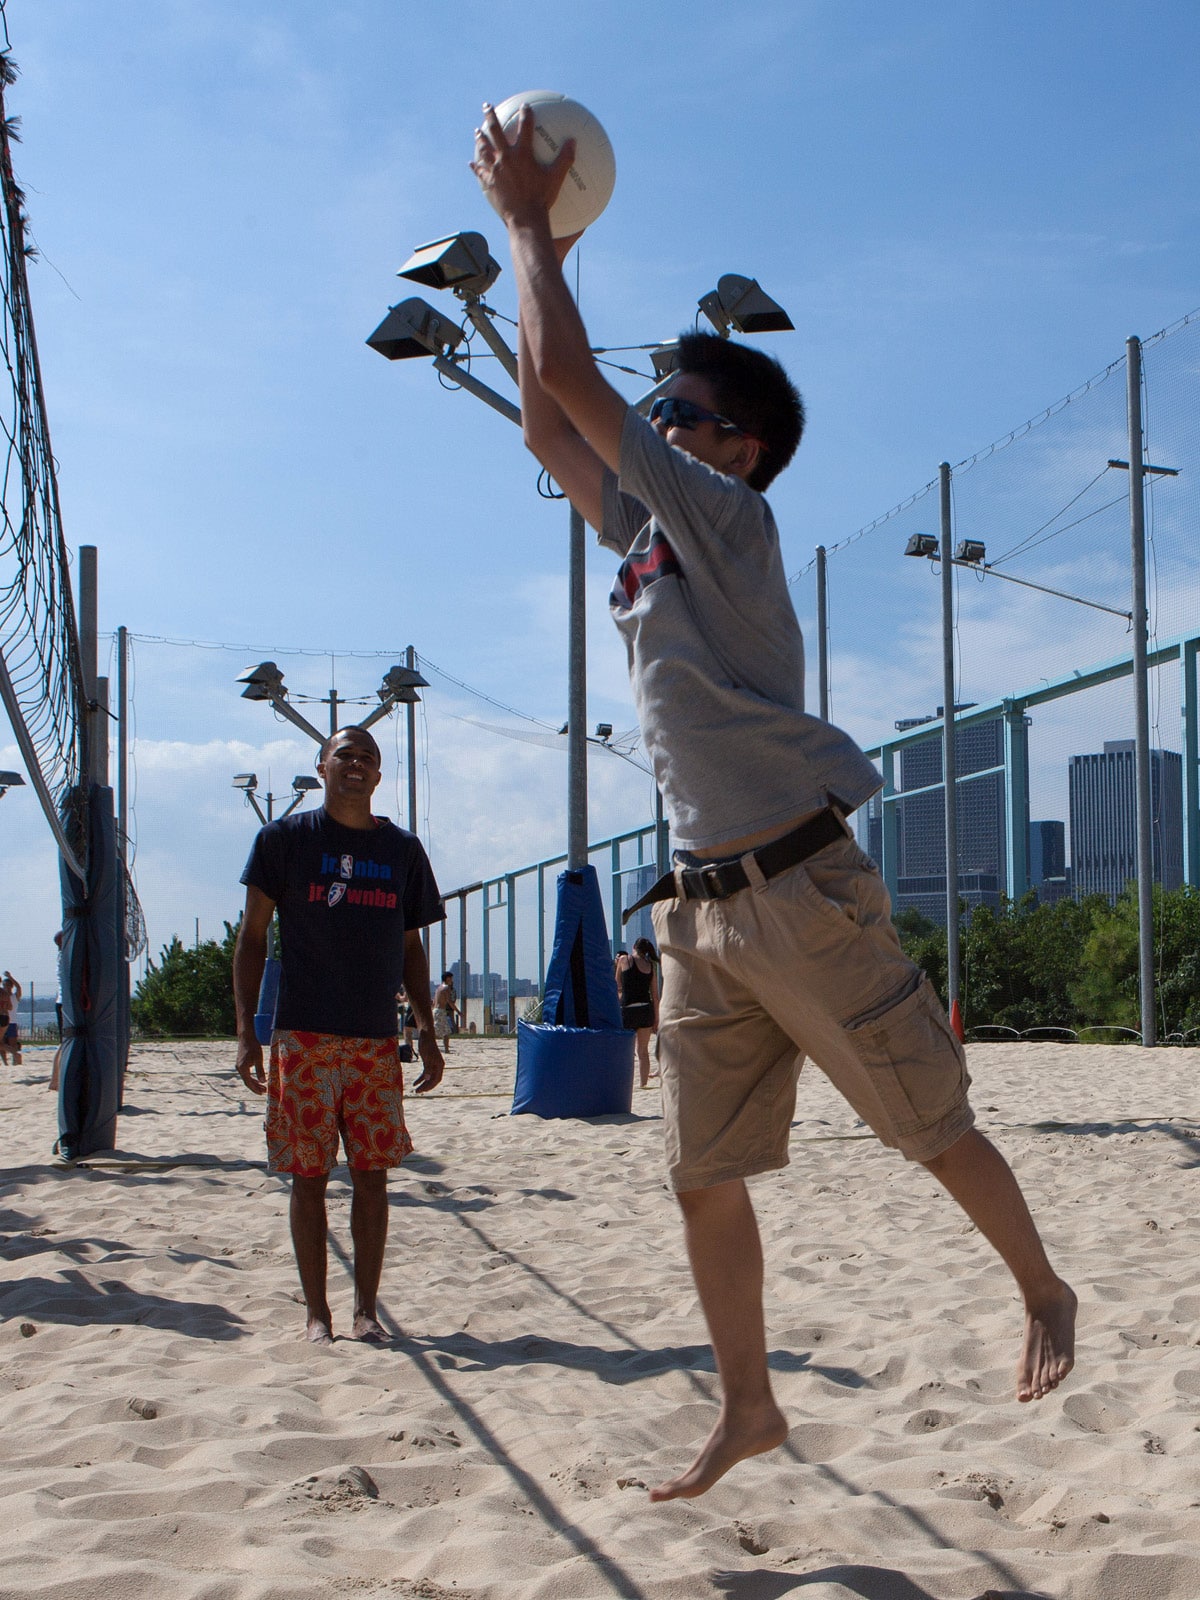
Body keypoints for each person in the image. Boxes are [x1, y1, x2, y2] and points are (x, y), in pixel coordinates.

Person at [471, 106, 1077, 1500]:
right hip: (698, 913)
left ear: (735, 450)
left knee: (929, 1125)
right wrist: (532, 264)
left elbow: (572, 371)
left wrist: (532, 226)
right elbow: (544, 407)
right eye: (662, 411)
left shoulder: (730, 523)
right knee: (700, 1174)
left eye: (678, 412)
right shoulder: (641, 538)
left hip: (800, 887)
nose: (657, 422)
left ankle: (1043, 1288)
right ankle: (749, 1407)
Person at [234, 725, 445, 1345]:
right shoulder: (282, 840)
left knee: (373, 1175)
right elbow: (251, 938)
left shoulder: (402, 852)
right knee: (309, 1176)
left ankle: (366, 1311)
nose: (355, 764)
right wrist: (248, 1032)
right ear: (321, 766)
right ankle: (317, 1315)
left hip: (375, 1039)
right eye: (344, 755)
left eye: (367, 758)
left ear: (379, 777)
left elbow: (412, 946)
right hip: (301, 1037)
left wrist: (426, 1030)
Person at [616, 937, 659, 1088]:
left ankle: (625, 1084)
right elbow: (655, 995)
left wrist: (620, 1000)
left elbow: (618, 984)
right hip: (645, 1009)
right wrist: (656, 1018)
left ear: (634, 946)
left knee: (626, 1052)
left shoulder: (624, 959)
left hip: (628, 1010)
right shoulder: (651, 966)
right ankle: (643, 1083)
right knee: (643, 1051)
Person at [433, 971, 459, 1052]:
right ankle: (429, 1046)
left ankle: (446, 1049)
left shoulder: (439, 988)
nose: (452, 980)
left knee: (446, 1031)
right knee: (437, 1031)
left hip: (436, 1011)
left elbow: (434, 1001)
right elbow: (449, 1001)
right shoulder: (446, 988)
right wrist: (458, 1011)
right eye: (451, 978)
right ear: (447, 978)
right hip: (440, 1011)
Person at [0, 970, 22, 1066]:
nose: (6, 987)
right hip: (5, 1019)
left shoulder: (13, 996)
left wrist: (10, 977)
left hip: (11, 1022)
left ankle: (15, 1060)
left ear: (11, 986)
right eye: (4, 985)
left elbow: (18, 987)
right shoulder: (3, 995)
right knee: (2, 1043)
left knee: (11, 1043)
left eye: (8, 985)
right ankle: (5, 1063)